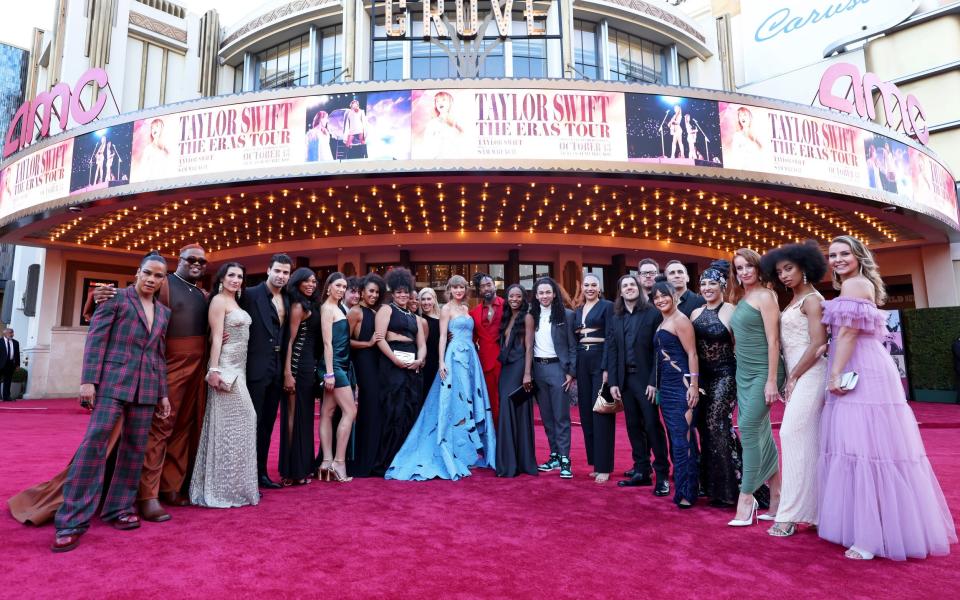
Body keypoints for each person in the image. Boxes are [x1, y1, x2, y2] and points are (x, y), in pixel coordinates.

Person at [819, 236, 957, 560]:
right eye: (833, 255)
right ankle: (872, 528)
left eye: (844, 254)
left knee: (867, 450)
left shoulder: (854, 286)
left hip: (862, 371)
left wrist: (834, 373)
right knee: (864, 448)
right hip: (865, 366)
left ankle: (872, 537)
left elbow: (850, 333)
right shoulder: (856, 284)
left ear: (858, 256)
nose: (837, 259)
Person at [51, 253, 172, 553]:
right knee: (94, 445)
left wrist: (163, 393)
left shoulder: (164, 313)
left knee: (134, 449)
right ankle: (71, 521)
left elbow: (158, 355)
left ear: (162, 281)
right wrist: (88, 381)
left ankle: (119, 508)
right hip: (112, 384)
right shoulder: (116, 300)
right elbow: (96, 340)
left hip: (146, 387)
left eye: (158, 276)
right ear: (137, 272)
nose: (151, 280)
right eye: (147, 273)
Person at [386, 275, 496, 480]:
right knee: (453, 401)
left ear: (465, 289)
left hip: (470, 356)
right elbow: (443, 337)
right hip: (454, 357)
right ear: (449, 290)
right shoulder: (446, 309)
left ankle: (465, 449)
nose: (458, 291)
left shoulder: (466, 309)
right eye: (454, 288)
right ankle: (451, 448)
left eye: (461, 287)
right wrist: (442, 362)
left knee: (467, 401)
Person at [759, 241, 828, 537]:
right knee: (810, 441)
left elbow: (818, 344)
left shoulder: (812, 299)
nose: (785, 275)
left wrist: (793, 376)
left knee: (790, 433)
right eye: (780, 271)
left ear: (805, 267)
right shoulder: (793, 299)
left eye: (789, 268)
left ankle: (789, 514)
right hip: (801, 375)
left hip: (812, 374)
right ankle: (815, 512)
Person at [190, 262, 259, 508]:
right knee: (242, 420)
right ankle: (221, 489)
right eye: (231, 275)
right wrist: (214, 370)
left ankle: (234, 487)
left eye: (240, 276)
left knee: (240, 425)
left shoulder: (237, 302)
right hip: (226, 369)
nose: (236, 279)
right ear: (222, 277)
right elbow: (216, 336)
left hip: (240, 368)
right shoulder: (219, 300)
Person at [727, 248, 784, 526]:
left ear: (758, 268)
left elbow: (774, 342)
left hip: (765, 372)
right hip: (744, 373)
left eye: (748, 266)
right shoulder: (742, 297)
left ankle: (747, 497)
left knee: (747, 428)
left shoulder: (766, 295)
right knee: (761, 432)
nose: (744, 272)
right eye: (739, 268)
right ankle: (776, 499)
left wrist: (773, 380)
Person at [607, 274, 670, 495]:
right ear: (620, 291)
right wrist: (613, 381)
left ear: (639, 288)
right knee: (633, 426)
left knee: (652, 425)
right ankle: (642, 471)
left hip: (647, 381)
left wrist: (654, 381)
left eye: (632, 284)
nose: (629, 288)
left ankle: (662, 474)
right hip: (625, 381)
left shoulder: (653, 314)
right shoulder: (616, 317)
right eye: (624, 286)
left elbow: (658, 351)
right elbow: (612, 350)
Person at [690, 260, 742, 507]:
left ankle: (729, 489)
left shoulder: (731, 309)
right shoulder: (695, 313)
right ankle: (709, 485)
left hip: (725, 375)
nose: (707, 287)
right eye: (703, 283)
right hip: (703, 378)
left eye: (712, 283)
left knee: (717, 424)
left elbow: (739, 346)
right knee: (703, 426)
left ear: (721, 285)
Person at [239, 254, 292, 489]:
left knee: (268, 423)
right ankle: (244, 475)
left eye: (286, 273)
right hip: (253, 367)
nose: (281, 276)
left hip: (277, 369)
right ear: (268, 270)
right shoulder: (250, 294)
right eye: (278, 271)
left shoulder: (288, 298)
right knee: (250, 422)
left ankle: (260, 473)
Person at [651, 276, 701, 508]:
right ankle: (685, 487)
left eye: (664, 296)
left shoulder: (680, 320)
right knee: (678, 439)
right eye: (656, 297)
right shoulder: (664, 321)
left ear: (675, 297)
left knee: (683, 440)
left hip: (682, 386)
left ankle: (687, 492)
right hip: (667, 389)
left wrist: (693, 386)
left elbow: (692, 354)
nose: (660, 300)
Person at [373, 267, 426, 475]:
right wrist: (394, 359)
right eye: (398, 292)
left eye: (405, 292)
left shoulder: (413, 316)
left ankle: (406, 457)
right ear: (393, 293)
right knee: (393, 410)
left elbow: (421, 343)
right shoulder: (387, 310)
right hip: (392, 364)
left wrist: (420, 359)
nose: (402, 295)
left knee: (410, 409)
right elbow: (379, 338)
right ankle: (389, 458)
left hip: (413, 366)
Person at [528, 277, 577, 479]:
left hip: (558, 369)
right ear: (536, 296)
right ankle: (554, 455)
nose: (545, 296)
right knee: (547, 417)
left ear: (554, 294)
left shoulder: (567, 316)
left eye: (548, 292)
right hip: (538, 369)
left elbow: (573, 347)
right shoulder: (531, 316)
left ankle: (565, 459)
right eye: (541, 293)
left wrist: (571, 372)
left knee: (561, 417)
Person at [279, 268, 320, 486]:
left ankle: (302, 467)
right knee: (293, 416)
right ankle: (290, 470)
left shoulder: (311, 304)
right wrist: (287, 373)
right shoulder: (297, 306)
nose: (311, 284)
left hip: (308, 367)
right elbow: (289, 341)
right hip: (295, 366)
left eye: (314, 281)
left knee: (304, 417)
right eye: (306, 281)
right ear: (297, 283)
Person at [573, 274, 615, 484]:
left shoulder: (607, 306)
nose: (590, 288)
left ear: (599, 288)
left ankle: (605, 466)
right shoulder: (578, 310)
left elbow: (610, 336)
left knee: (601, 412)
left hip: (600, 359)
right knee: (586, 414)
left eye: (593, 285)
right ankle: (596, 463)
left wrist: (607, 366)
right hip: (582, 359)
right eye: (586, 285)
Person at [316, 272, 358, 483]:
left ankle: (326, 462)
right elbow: (327, 343)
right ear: (329, 286)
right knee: (350, 411)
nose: (342, 290)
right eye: (338, 286)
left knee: (328, 411)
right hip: (333, 367)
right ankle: (339, 462)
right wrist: (330, 373)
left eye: (344, 286)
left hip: (340, 365)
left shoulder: (341, 307)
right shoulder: (326, 308)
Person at [496, 284, 538, 477]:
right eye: (511, 295)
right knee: (512, 410)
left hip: (520, 366)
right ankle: (513, 462)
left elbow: (529, 347)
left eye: (518, 296)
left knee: (510, 408)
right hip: (507, 367)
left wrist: (527, 373)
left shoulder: (527, 317)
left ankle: (513, 463)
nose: (514, 299)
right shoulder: (508, 317)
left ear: (523, 298)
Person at [347, 274, 385, 477]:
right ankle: (362, 461)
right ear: (362, 291)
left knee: (375, 409)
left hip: (376, 363)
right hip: (362, 363)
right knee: (369, 409)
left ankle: (372, 458)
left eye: (377, 292)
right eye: (371, 291)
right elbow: (344, 342)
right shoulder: (355, 312)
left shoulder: (374, 311)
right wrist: (368, 344)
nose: (374, 294)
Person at [470, 272, 504, 429]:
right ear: (479, 290)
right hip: (485, 363)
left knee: (505, 400)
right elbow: (469, 338)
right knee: (490, 402)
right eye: (482, 286)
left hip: (506, 361)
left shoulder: (507, 305)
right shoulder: (474, 313)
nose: (486, 288)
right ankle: (493, 438)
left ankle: (508, 439)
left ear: (494, 286)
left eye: (488, 284)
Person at [418, 287, 442, 400]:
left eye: (429, 299)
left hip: (440, 361)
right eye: (423, 299)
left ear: (434, 300)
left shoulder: (442, 318)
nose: (426, 302)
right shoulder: (418, 319)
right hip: (425, 362)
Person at [0, 327, 20, 401]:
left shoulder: (16, 343)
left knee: (8, 381)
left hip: (10, 364)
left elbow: (17, 354)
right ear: (4, 333)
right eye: (10, 332)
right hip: (0, 364)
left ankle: (6, 397)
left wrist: (17, 365)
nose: (12, 334)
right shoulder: (0, 341)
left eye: (12, 332)